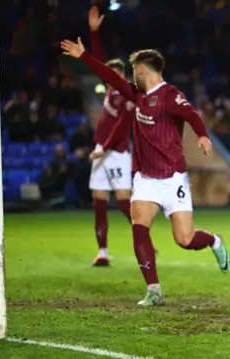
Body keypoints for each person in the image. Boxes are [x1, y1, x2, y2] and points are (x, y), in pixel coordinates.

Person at [60, 37, 230, 306]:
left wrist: (202, 135)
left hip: (173, 177)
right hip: (145, 179)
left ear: (142, 71)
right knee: (139, 228)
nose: (131, 76)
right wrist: (84, 56)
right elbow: (110, 78)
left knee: (184, 239)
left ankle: (213, 240)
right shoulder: (135, 94)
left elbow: (193, 115)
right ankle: (154, 290)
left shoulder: (170, 95)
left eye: (134, 71)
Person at [86, 7, 134, 267]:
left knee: (124, 202)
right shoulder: (109, 91)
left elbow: (122, 127)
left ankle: (143, 238)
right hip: (101, 151)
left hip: (116, 153)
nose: (111, 77)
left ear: (123, 76)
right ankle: (102, 252)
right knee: (99, 202)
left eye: (116, 74)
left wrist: (103, 148)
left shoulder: (127, 97)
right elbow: (98, 59)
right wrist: (94, 33)